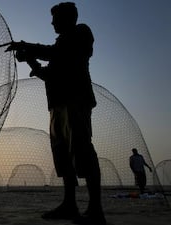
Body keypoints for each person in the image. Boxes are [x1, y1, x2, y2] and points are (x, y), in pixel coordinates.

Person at [7, 2, 105, 225]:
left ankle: (96, 210)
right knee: (62, 154)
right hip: (57, 106)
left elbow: (57, 54)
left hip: (76, 101)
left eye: (55, 18)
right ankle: (70, 205)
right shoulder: (61, 45)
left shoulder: (81, 32)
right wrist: (29, 58)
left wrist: (26, 46)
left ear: (68, 18)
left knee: (82, 150)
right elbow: (48, 74)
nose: (52, 23)